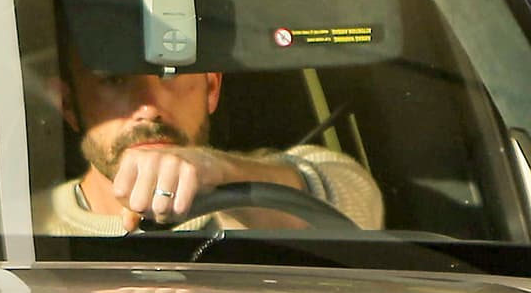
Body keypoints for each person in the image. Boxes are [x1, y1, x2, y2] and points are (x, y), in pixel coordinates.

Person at [32, 48, 383, 235]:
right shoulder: (21, 232)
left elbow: (357, 206)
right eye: (114, 79)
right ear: (68, 105)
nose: (149, 108)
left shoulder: (274, 182)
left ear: (212, 88)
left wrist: (221, 173)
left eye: (171, 73)